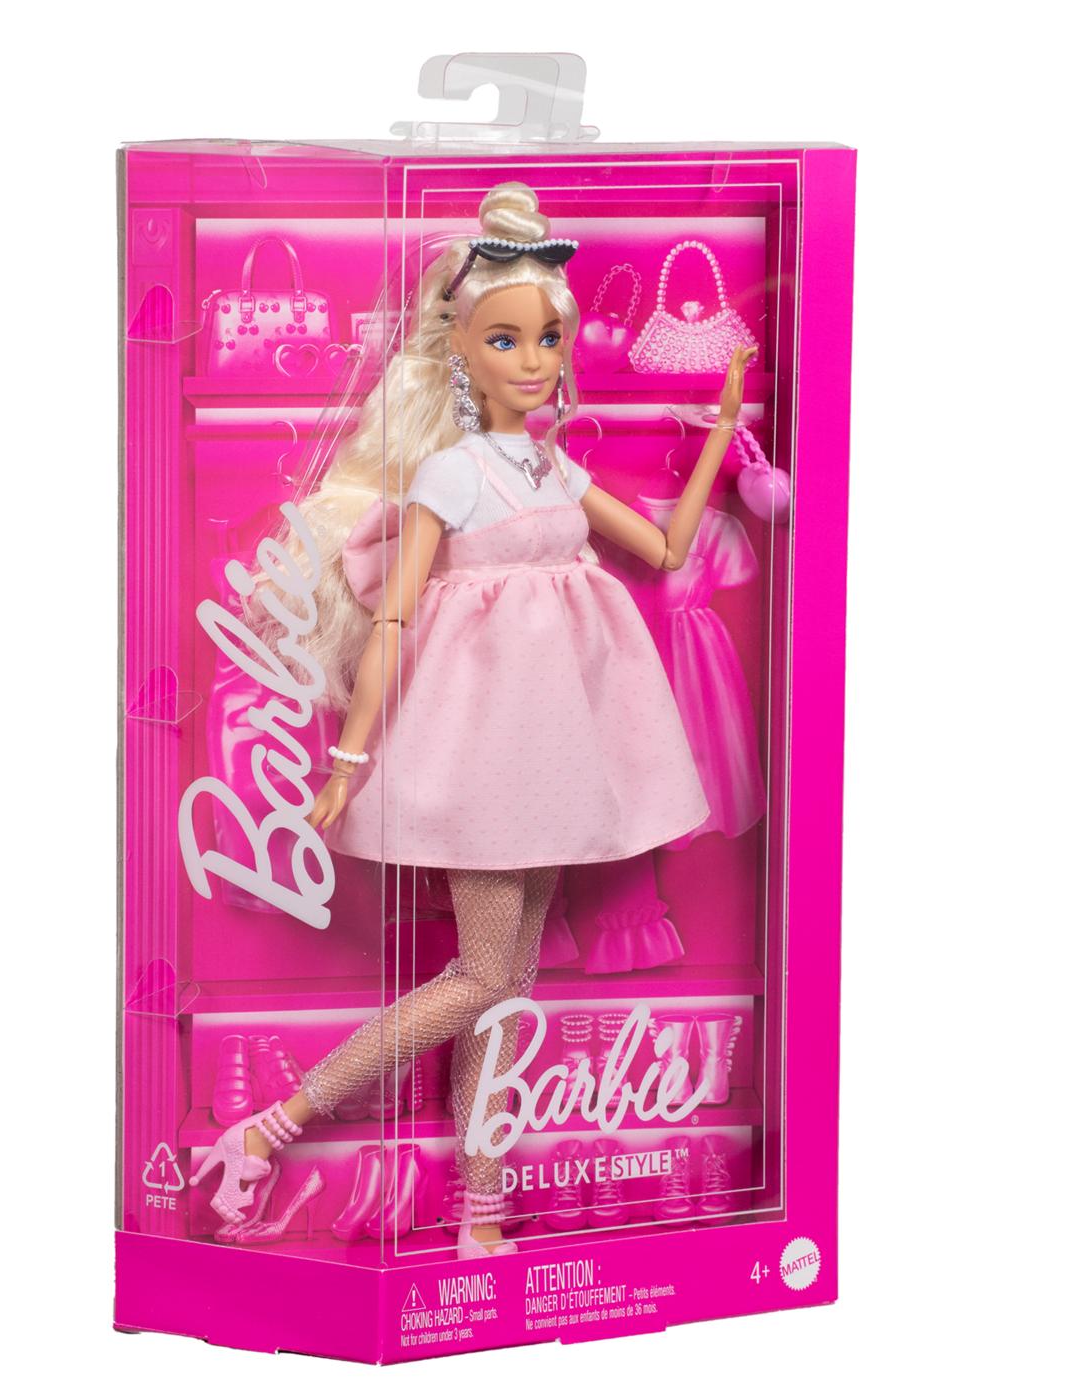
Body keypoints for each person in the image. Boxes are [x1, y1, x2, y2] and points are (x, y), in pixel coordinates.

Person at [192, 181, 756, 1258]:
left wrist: (723, 430)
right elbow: (394, 615)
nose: (534, 361)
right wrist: (348, 758)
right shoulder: (450, 474)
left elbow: (665, 549)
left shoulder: (550, 462)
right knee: (485, 977)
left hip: (555, 753)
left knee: (508, 986)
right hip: (481, 752)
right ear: (457, 346)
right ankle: (267, 1128)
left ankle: (481, 1211)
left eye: (548, 338)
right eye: (506, 339)